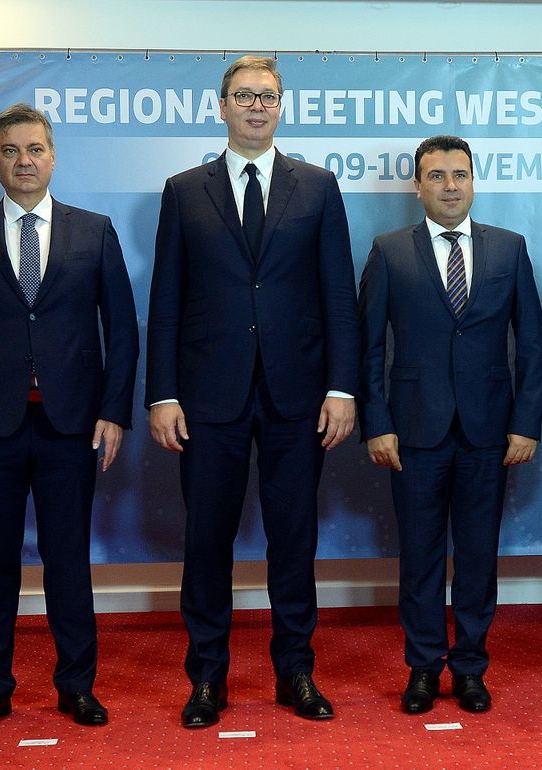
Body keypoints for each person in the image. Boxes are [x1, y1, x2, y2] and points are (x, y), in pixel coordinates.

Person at [146, 55, 360, 728]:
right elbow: (167, 300)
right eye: (244, 96)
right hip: (208, 398)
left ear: (281, 106)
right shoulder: (184, 191)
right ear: (222, 106)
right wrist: (163, 395)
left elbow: (337, 297)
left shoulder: (318, 187)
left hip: (299, 397)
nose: (256, 106)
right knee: (206, 540)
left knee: (293, 540)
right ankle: (206, 678)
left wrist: (342, 388)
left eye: (267, 96)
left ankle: (295, 671)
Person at [0, 103, 140, 734]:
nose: (25, 161)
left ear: (53, 156)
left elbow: (120, 331)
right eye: (12, 151)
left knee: (69, 559)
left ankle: (77, 686)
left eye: (36, 149)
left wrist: (113, 412)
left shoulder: (93, 231)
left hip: (71, 427)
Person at [359, 136, 542, 715]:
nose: (449, 185)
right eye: (436, 176)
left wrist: (525, 423)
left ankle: (469, 668)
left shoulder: (509, 249)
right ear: (418, 187)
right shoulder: (389, 251)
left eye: (459, 174)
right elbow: (366, 348)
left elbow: (533, 346)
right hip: (412, 432)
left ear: (474, 181)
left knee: (476, 556)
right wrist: (377, 422)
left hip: (489, 433)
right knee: (418, 558)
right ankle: (422, 669)